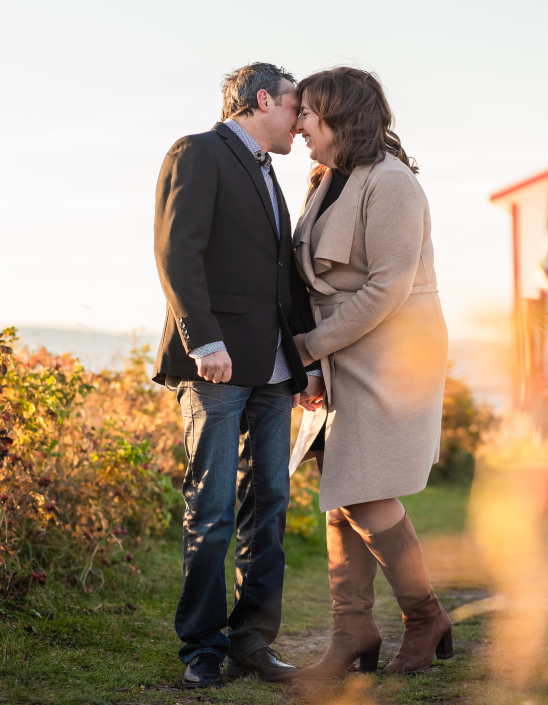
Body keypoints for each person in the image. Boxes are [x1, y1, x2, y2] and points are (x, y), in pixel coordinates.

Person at [153, 62, 325, 689]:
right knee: (214, 507)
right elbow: (176, 250)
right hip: (218, 366)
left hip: (275, 372)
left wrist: (302, 365)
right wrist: (204, 341)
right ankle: (201, 647)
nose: (299, 122)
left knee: (270, 506)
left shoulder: (269, 176)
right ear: (262, 101)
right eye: (293, 109)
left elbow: (282, 283)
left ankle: (253, 641)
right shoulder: (198, 152)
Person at [289, 67, 452, 678]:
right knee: (341, 487)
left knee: (362, 488)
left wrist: (307, 347)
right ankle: (352, 630)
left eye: (308, 112)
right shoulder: (327, 178)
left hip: (390, 353)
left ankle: (424, 616)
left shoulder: (393, 183)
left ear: (339, 116)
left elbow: (388, 285)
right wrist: (314, 355)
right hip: (340, 351)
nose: (299, 122)